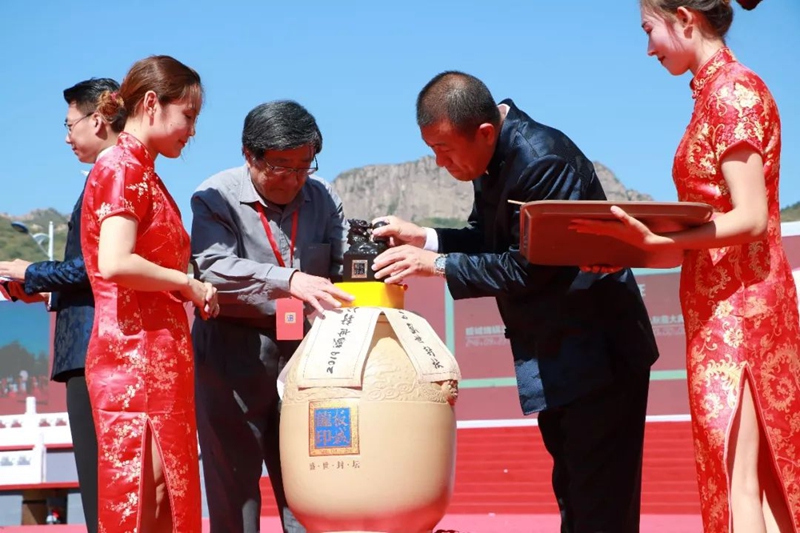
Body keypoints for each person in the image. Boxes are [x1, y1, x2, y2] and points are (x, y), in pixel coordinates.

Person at [371, 71, 660, 533]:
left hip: (599, 355)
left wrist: (436, 264)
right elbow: (487, 239)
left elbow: (531, 267)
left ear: (485, 132)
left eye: (444, 149)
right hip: (559, 354)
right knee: (575, 497)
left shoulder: (544, 161)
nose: (440, 163)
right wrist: (424, 236)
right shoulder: (490, 157)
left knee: (598, 505)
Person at [571, 1, 800, 531]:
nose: (648, 48)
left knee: (740, 479)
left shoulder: (734, 92)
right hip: (720, 307)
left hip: (742, 312)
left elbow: (751, 217)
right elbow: (701, 240)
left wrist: (662, 240)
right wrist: (632, 250)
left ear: (683, 18)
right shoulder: (713, 95)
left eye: (649, 30)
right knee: (752, 480)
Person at [190, 100, 352, 533]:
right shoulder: (216, 195)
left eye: (304, 166)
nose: (294, 179)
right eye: (281, 167)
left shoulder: (323, 195)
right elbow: (212, 267)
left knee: (311, 479)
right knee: (235, 487)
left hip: (306, 350)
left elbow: (343, 263)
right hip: (232, 347)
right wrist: (288, 279)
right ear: (250, 155)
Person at [81, 55, 217, 533]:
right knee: (145, 493)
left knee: (165, 494)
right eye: (188, 116)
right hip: (132, 352)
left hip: (159, 350)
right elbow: (115, 262)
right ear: (153, 103)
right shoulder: (122, 167)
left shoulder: (144, 171)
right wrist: (186, 283)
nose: (192, 131)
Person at [0, 76, 124, 533]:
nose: (67, 137)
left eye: (70, 125)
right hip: (94, 344)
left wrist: (28, 270)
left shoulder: (111, 175)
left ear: (98, 120)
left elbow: (95, 268)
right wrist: (41, 288)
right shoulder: (114, 174)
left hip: (92, 349)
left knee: (100, 487)